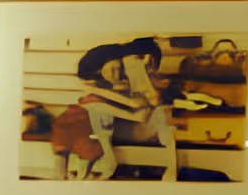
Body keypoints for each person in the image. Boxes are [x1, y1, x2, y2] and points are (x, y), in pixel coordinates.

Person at [48, 36, 181, 180]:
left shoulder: (136, 78)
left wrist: (139, 72)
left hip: (132, 126)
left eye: (119, 68)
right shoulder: (101, 89)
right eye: (113, 67)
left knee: (162, 112)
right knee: (85, 116)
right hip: (110, 127)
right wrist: (101, 93)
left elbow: (144, 106)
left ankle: (172, 165)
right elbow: (133, 106)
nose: (116, 72)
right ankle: (72, 172)